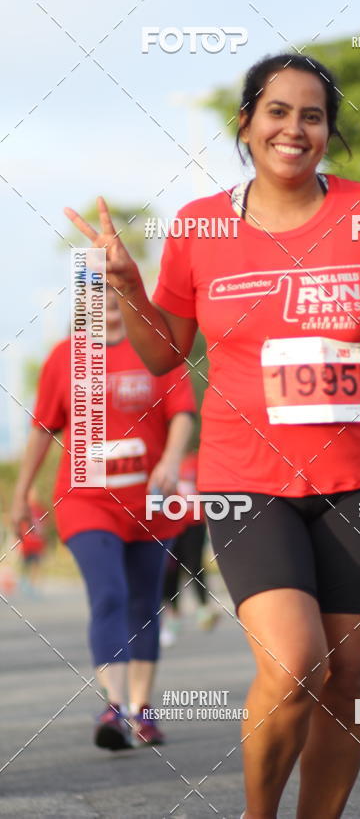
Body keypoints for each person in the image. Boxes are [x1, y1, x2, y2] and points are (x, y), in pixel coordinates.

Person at [65, 53, 360, 817]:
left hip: (359, 481)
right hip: (247, 476)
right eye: (278, 112)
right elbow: (165, 353)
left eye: (313, 115)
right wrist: (127, 286)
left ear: (328, 131)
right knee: (295, 667)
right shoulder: (200, 226)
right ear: (247, 125)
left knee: (348, 678)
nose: (295, 128)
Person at [9, 287, 196, 751]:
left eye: (117, 302)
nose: (109, 311)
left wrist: (171, 460)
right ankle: (115, 708)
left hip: (151, 500)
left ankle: (142, 710)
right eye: (99, 304)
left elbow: (182, 413)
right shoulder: (64, 359)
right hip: (86, 500)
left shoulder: (156, 347)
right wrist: (20, 494)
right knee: (109, 592)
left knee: (143, 603)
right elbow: (42, 428)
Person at [160, 451, 220, 647]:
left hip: (194, 522)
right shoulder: (163, 459)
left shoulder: (196, 461)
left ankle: (203, 607)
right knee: (171, 569)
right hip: (169, 523)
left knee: (194, 564)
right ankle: (173, 614)